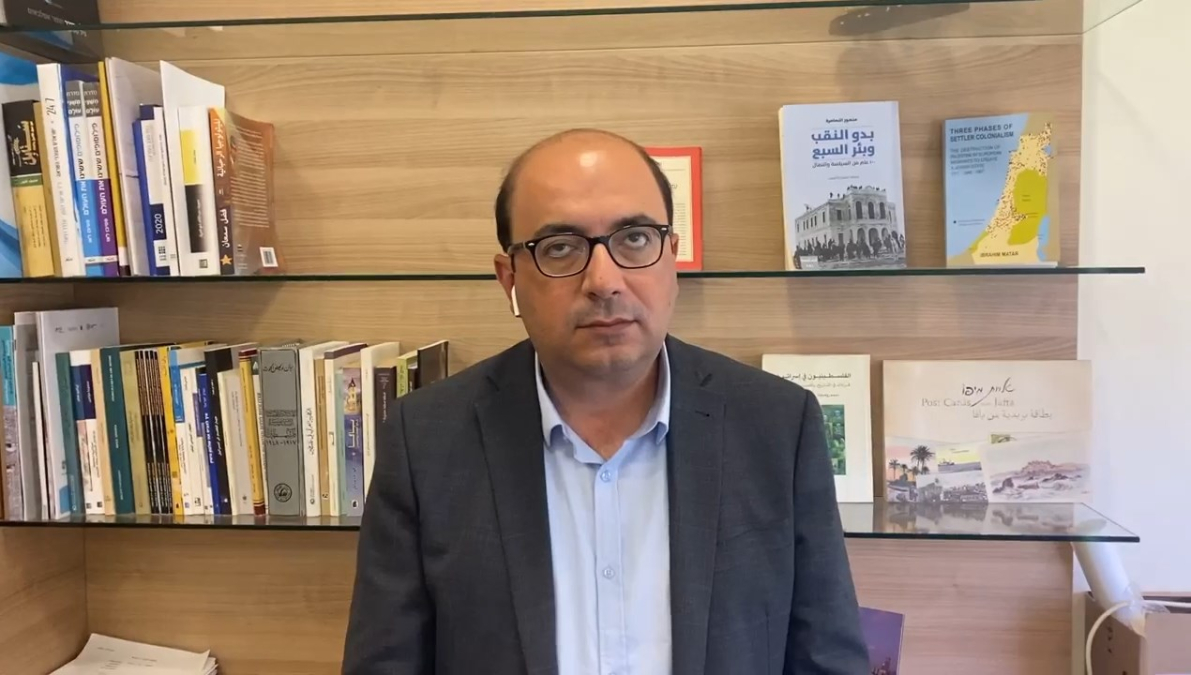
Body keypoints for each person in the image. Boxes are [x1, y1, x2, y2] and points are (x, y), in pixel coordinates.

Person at [343, 129, 869, 675]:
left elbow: (827, 659)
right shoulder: (425, 441)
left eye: (634, 238)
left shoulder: (778, 426)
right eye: (560, 247)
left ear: (671, 257)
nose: (604, 280)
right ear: (509, 280)